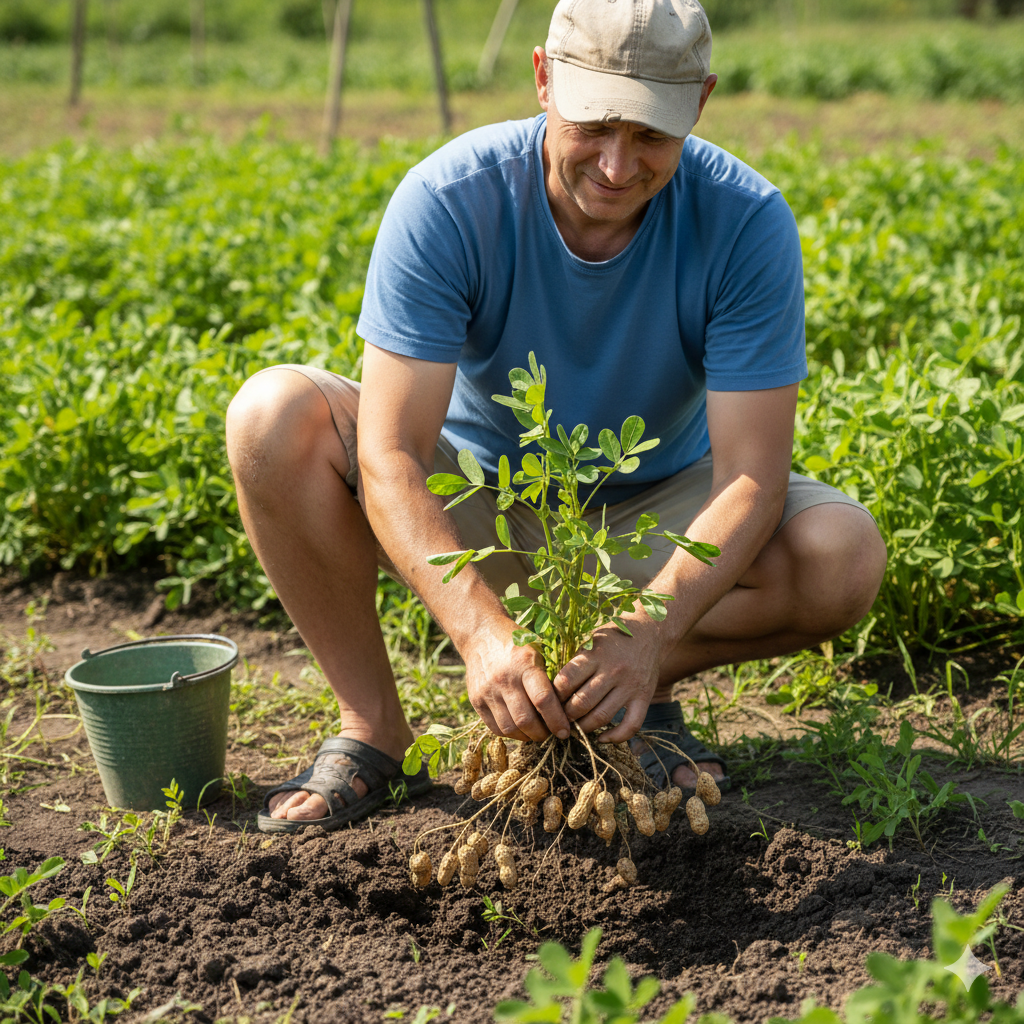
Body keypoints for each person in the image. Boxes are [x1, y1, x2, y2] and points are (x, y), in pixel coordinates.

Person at [226, 0, 887, 834]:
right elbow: (392, 454)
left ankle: (616, 694)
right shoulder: (449, 198)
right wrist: (476, 632)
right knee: (274, 417)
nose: (617, 164)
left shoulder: (744, 221)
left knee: (842, 554)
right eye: (594, 125)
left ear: (701, 103)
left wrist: (646, 632)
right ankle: (373, 728)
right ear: (543, 80)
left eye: (651, 135)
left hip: (655, 526)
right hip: (481, 507)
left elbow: (750, 477)